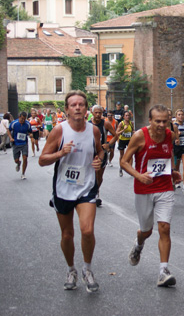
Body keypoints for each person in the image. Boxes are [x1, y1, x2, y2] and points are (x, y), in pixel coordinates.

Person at [38, 90, 103, 292]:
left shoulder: (93, 131)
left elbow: (99, 149)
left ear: (86, 109)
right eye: (73, 105)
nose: (77, 108)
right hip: (63, 188)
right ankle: (71, 269)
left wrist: (99, 159)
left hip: (86, 187)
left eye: (81, 105)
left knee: (88, 231)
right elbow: (42, 160)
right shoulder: (59, 130)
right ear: (66, 109)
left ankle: (87, 269)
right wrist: (60, 152)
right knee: (67, 235)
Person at [120, 104, 182, 287]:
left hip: (164, 188)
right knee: (146, 230)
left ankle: (163, 271)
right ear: (150, 120)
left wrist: (172, 171)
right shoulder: (140, 136)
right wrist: (139, 176)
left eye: (165, 121)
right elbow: (123, 161)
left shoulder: (170, 135)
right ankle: (139, 244)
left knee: (164, 227)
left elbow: (168, 154)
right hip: (144, 189)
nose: (162, 125)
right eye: (158, 121)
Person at [89, 105, 119, 207]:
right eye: (96, 113)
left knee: (99, 175)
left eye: (100, 113)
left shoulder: (105, 124)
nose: (98, 115)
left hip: (102, 152)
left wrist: (109, 144)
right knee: (91, 174)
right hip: (90, 153)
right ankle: (91, 192)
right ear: (92, 113)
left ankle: (96, 191)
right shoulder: (87, 124)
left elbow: (116, 135)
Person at [8, 111, 33, 180]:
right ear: (19, 117)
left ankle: (23, 173)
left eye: (24, 119)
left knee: (25, 157)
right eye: (22, 119)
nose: (23, 120)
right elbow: (8, 130)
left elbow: (30, 132)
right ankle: (18, 163)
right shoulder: (14, 123)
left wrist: (31, 135)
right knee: (16, 160)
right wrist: (10, 138)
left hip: (24, 143)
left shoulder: (27, 124)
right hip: (16, 143)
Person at [173, 109, 184, 195]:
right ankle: (176, 181)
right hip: (177, 148)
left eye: (182, 114)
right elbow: (171, 136)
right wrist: (176, 135)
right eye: (179, 115)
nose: (181, 116)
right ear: (176, 116)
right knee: (176, 167)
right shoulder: (174, 125)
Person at [116, 111, 134, 177]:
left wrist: (134, 132)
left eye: (128, 115)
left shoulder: (131, 123)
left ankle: (130, 169)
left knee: (130, 154)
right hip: (122, 140)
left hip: (129, 140)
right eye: (126, 115)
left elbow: (132, 131)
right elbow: (117, 133)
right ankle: (121, 168)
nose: (127, 117)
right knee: (122, 155)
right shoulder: (121, 123)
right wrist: (123, 130)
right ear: (123, 117)